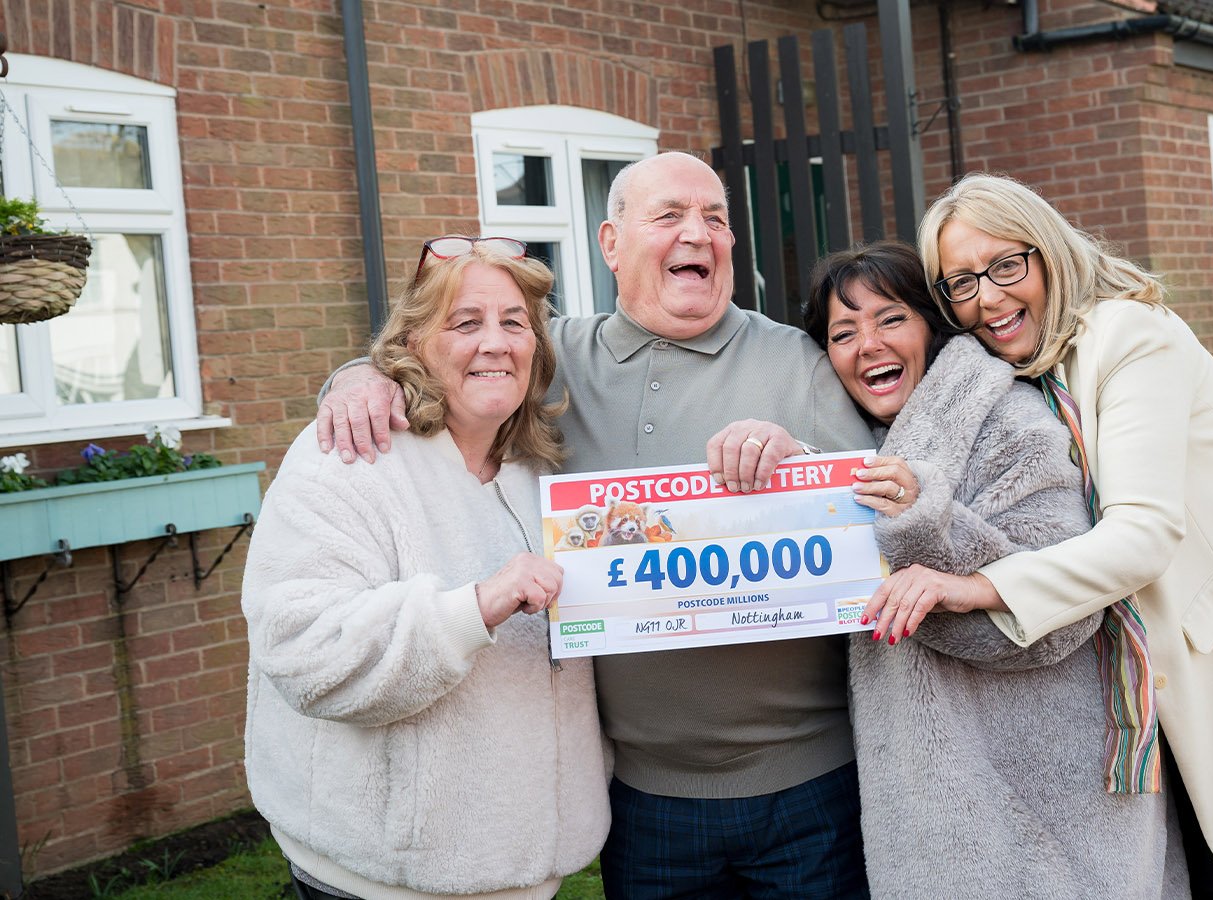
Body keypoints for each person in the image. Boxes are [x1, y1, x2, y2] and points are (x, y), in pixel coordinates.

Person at [317, 152, 876, 899]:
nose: (698, 233)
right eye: (670, 215)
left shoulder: (801, 362)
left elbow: (883, 514)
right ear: (611, 243)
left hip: (811, 785)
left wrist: (800, 461)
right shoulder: (553, 363)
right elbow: (454, 359)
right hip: (642, 798)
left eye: (715, 217)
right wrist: (358, 375)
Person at [861, 173, 1213, 900]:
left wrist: (975, 586)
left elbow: (1142, 535)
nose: (987, 298)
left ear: (1048, 252)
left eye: (1006, 266)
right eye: (960, 283)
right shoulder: (1027, 365)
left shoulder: (1129, 336)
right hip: (1130, 675)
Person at [724, 242, 1188, 899]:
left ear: (933, 327)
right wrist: (784, 463)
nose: (868, 346)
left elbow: (1061, 622)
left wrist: (928, 526)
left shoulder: (1014, 426)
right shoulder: (868, 444)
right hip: (938, 807)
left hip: (1042, 807)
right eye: (843, 332)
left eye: (891, 319)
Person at [241, 241, 610, 900]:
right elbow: (300, 648)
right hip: (378, 880)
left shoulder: (547, 470)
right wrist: (473, 607)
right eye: (465, 323)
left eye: (513, 322)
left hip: (531, 876)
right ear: (412, 341)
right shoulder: (347, 454)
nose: (494, 343)